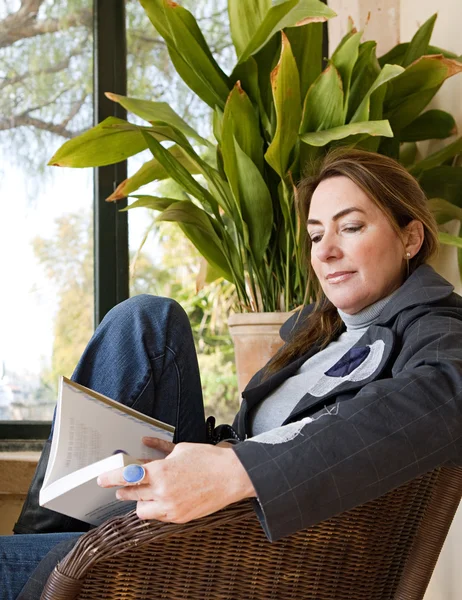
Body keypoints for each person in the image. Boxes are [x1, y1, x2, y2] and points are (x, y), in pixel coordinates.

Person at [1, 149, 461, 599]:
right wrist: (213, 448)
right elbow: (273, 430)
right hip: (210, 513)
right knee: (146, 321)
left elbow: (447, 398)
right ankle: (44, 533)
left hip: (254, 549)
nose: (326, 251)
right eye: (317, 236)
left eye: (352, 227)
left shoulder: (435, 326)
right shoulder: (319, 334)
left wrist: (235, 471)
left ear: (411, 238)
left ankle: (37, 556)